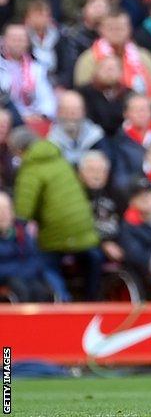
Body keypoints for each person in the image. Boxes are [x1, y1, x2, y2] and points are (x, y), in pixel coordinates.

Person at [10, 126, 101, 301]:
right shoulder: (60, 158)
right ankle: (92, 299)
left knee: (43, 262)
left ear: (20, 150)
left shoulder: (30, 169)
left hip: (57, 232)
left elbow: (23, 211)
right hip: (84, 228)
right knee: (91, 257)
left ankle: (63, 301)